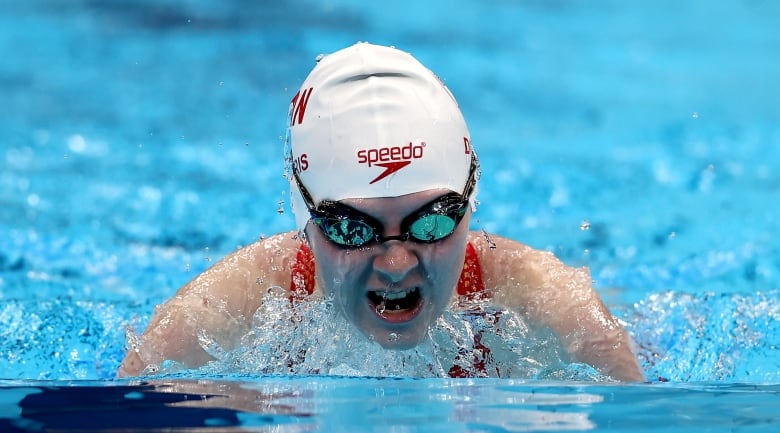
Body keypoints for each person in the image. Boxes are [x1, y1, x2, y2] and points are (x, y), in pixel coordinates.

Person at [118, 42, 645, 382]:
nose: (395, 264)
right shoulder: (216, 319)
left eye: (433, 219)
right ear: (303, 221)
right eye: (351, 228)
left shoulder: (550, 309)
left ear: (471, 202)